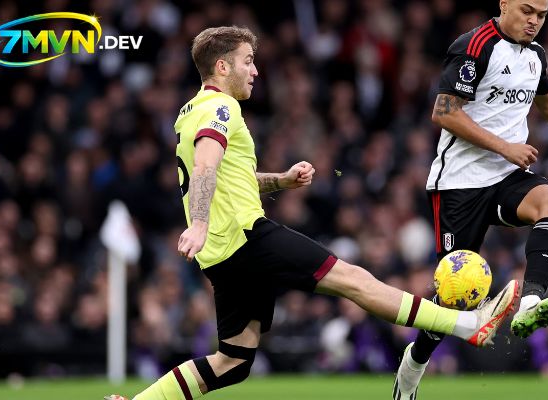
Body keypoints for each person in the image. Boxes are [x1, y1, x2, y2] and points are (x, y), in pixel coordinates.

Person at [106, 26, 519, 400]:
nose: (255, 71)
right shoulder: (221, 108)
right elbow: (204, 169)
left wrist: (282, 181)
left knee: (233, 361)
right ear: (222, 66)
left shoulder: (191, 111)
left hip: (221, 253)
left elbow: (233, 177)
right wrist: (198, 223)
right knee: (354, 280)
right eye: (247, 61)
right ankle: (469, 325)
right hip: (244, 237)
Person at [392, 1, 548, 398]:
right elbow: (444, 112)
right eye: (527, 11)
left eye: (542, 14)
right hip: (460, 184)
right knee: (452, 300)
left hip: (506, 176)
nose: (534, 21)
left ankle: (531, 301)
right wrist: (505, 147)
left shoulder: (535, 55)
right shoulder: (475, 45)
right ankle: (413, 365)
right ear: (504, 5)